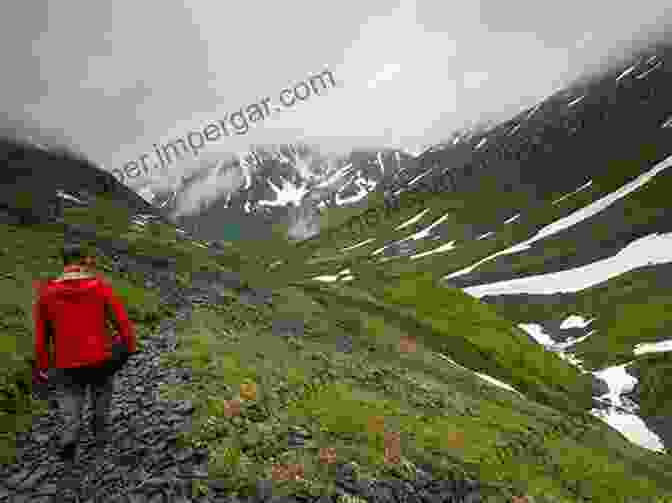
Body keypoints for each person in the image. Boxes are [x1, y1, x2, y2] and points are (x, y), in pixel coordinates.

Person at [33, 243, 136, 465]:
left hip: (66, 362)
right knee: (101, 395)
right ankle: (99, 438)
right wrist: (129, 345)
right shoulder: (100, 287)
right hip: (101, 357)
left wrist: (42, 366)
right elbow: (121, 322)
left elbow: (42, 337)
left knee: (70, 399)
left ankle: (70, 437)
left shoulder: (46, 294)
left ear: (64, 262)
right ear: (84, 261)